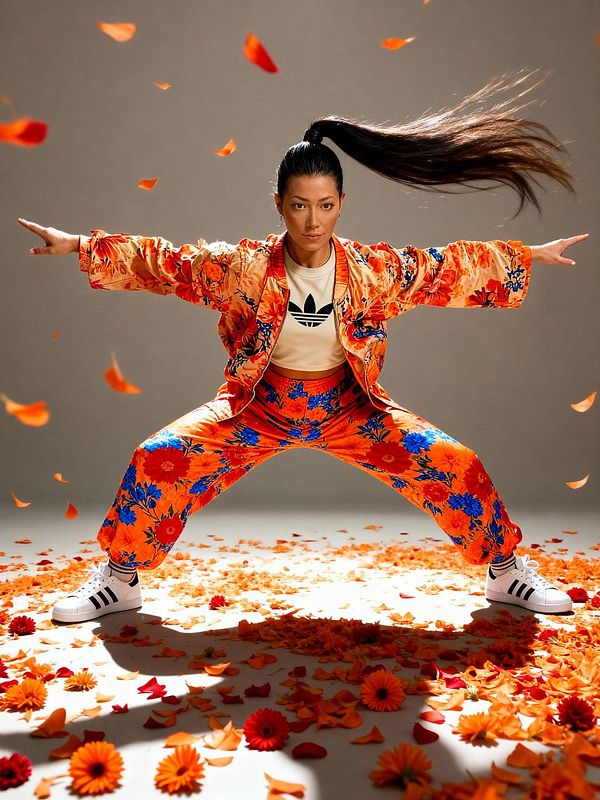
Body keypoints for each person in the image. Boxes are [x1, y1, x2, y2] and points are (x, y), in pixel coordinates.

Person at [18, 74, 588, 623]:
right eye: (298, 206)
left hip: (350, 408)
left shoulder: (371, 271)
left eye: (324, 205)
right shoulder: (243, 268)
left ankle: (505, 570)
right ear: (278, 204)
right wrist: (77, 245)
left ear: (342, 203)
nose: (312, 221)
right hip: (257, 407)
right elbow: (170, 264)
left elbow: (442, 267)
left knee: (454, 462)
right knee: (156, 456)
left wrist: (528, 255)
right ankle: (120, 579)